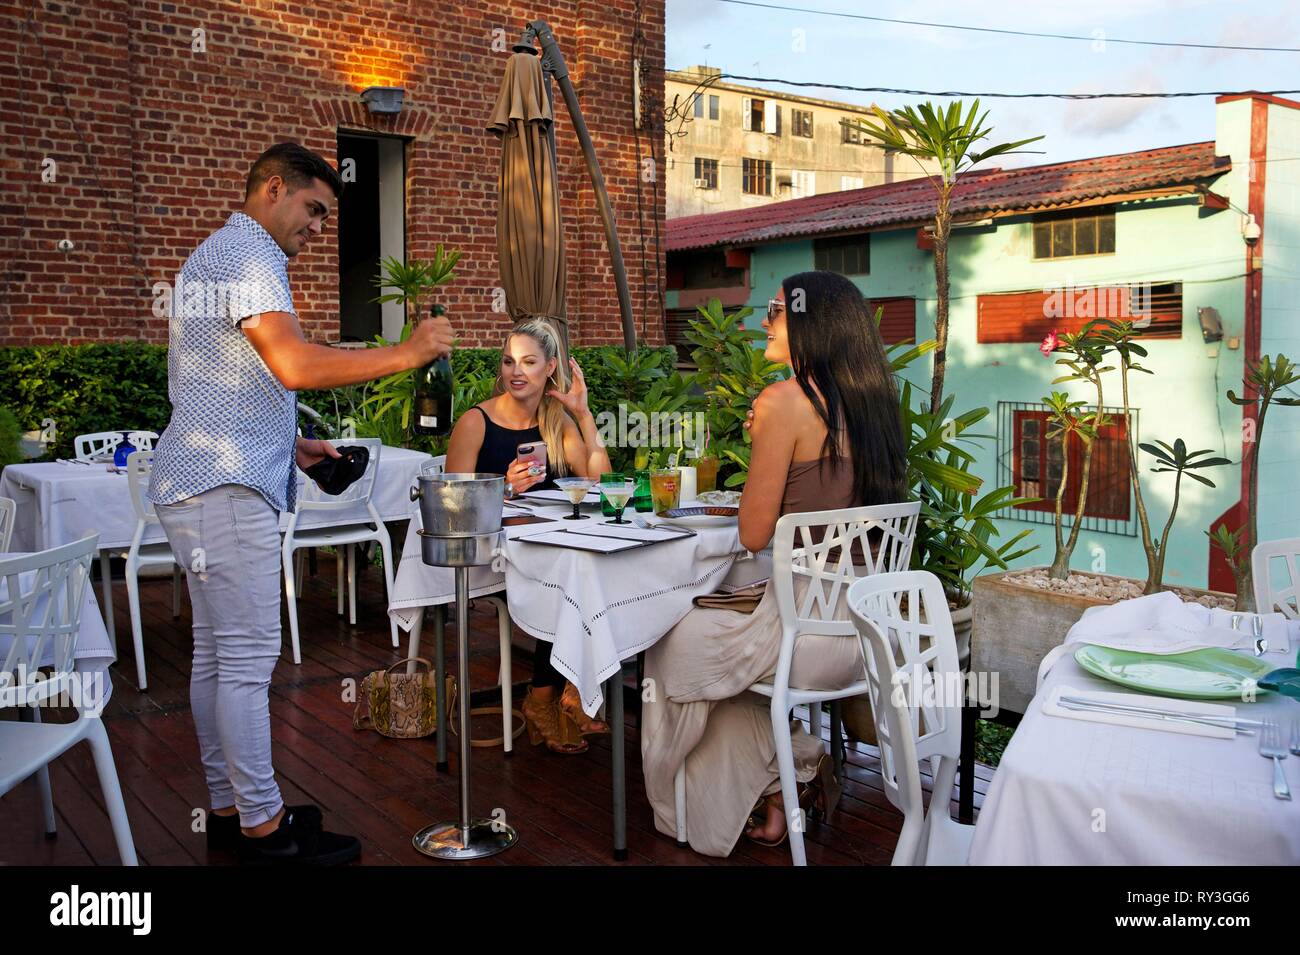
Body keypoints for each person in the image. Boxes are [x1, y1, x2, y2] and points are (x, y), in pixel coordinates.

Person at [147, 142, 454, 865]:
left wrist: (294, 448)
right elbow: (293, 362)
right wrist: (408, 353)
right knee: (248, 660)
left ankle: (230, 812)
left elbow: (221, 387)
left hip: (200, 479)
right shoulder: (249, 253)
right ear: (273, 188)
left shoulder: (214, 254)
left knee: (218, 660)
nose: (319, 226)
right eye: (314, 208)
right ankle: (263, 830)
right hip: (223, 490)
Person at [639, 270, 908, 856]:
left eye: (777, 311)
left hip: (803, 637)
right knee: (716, 663)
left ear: (813, 325)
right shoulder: (876, 407)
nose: (764, 320)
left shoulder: (785, 401)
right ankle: (781, 788)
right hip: (866, 633)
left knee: (666, 638)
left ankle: (779, 778)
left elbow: (755, 532)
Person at [444, 317, 612, 754]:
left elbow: (602, 481)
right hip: (489, 558)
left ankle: (559, 694)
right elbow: (451, 504)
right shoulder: (476, 422)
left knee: (591, 571)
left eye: (529, 362)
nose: (516, 372)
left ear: (550, 368)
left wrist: (583, 413)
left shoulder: (558, 423)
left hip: (547, 548)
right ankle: (552, 696)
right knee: (569, 579)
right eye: (508, 362)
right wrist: (502, 487)